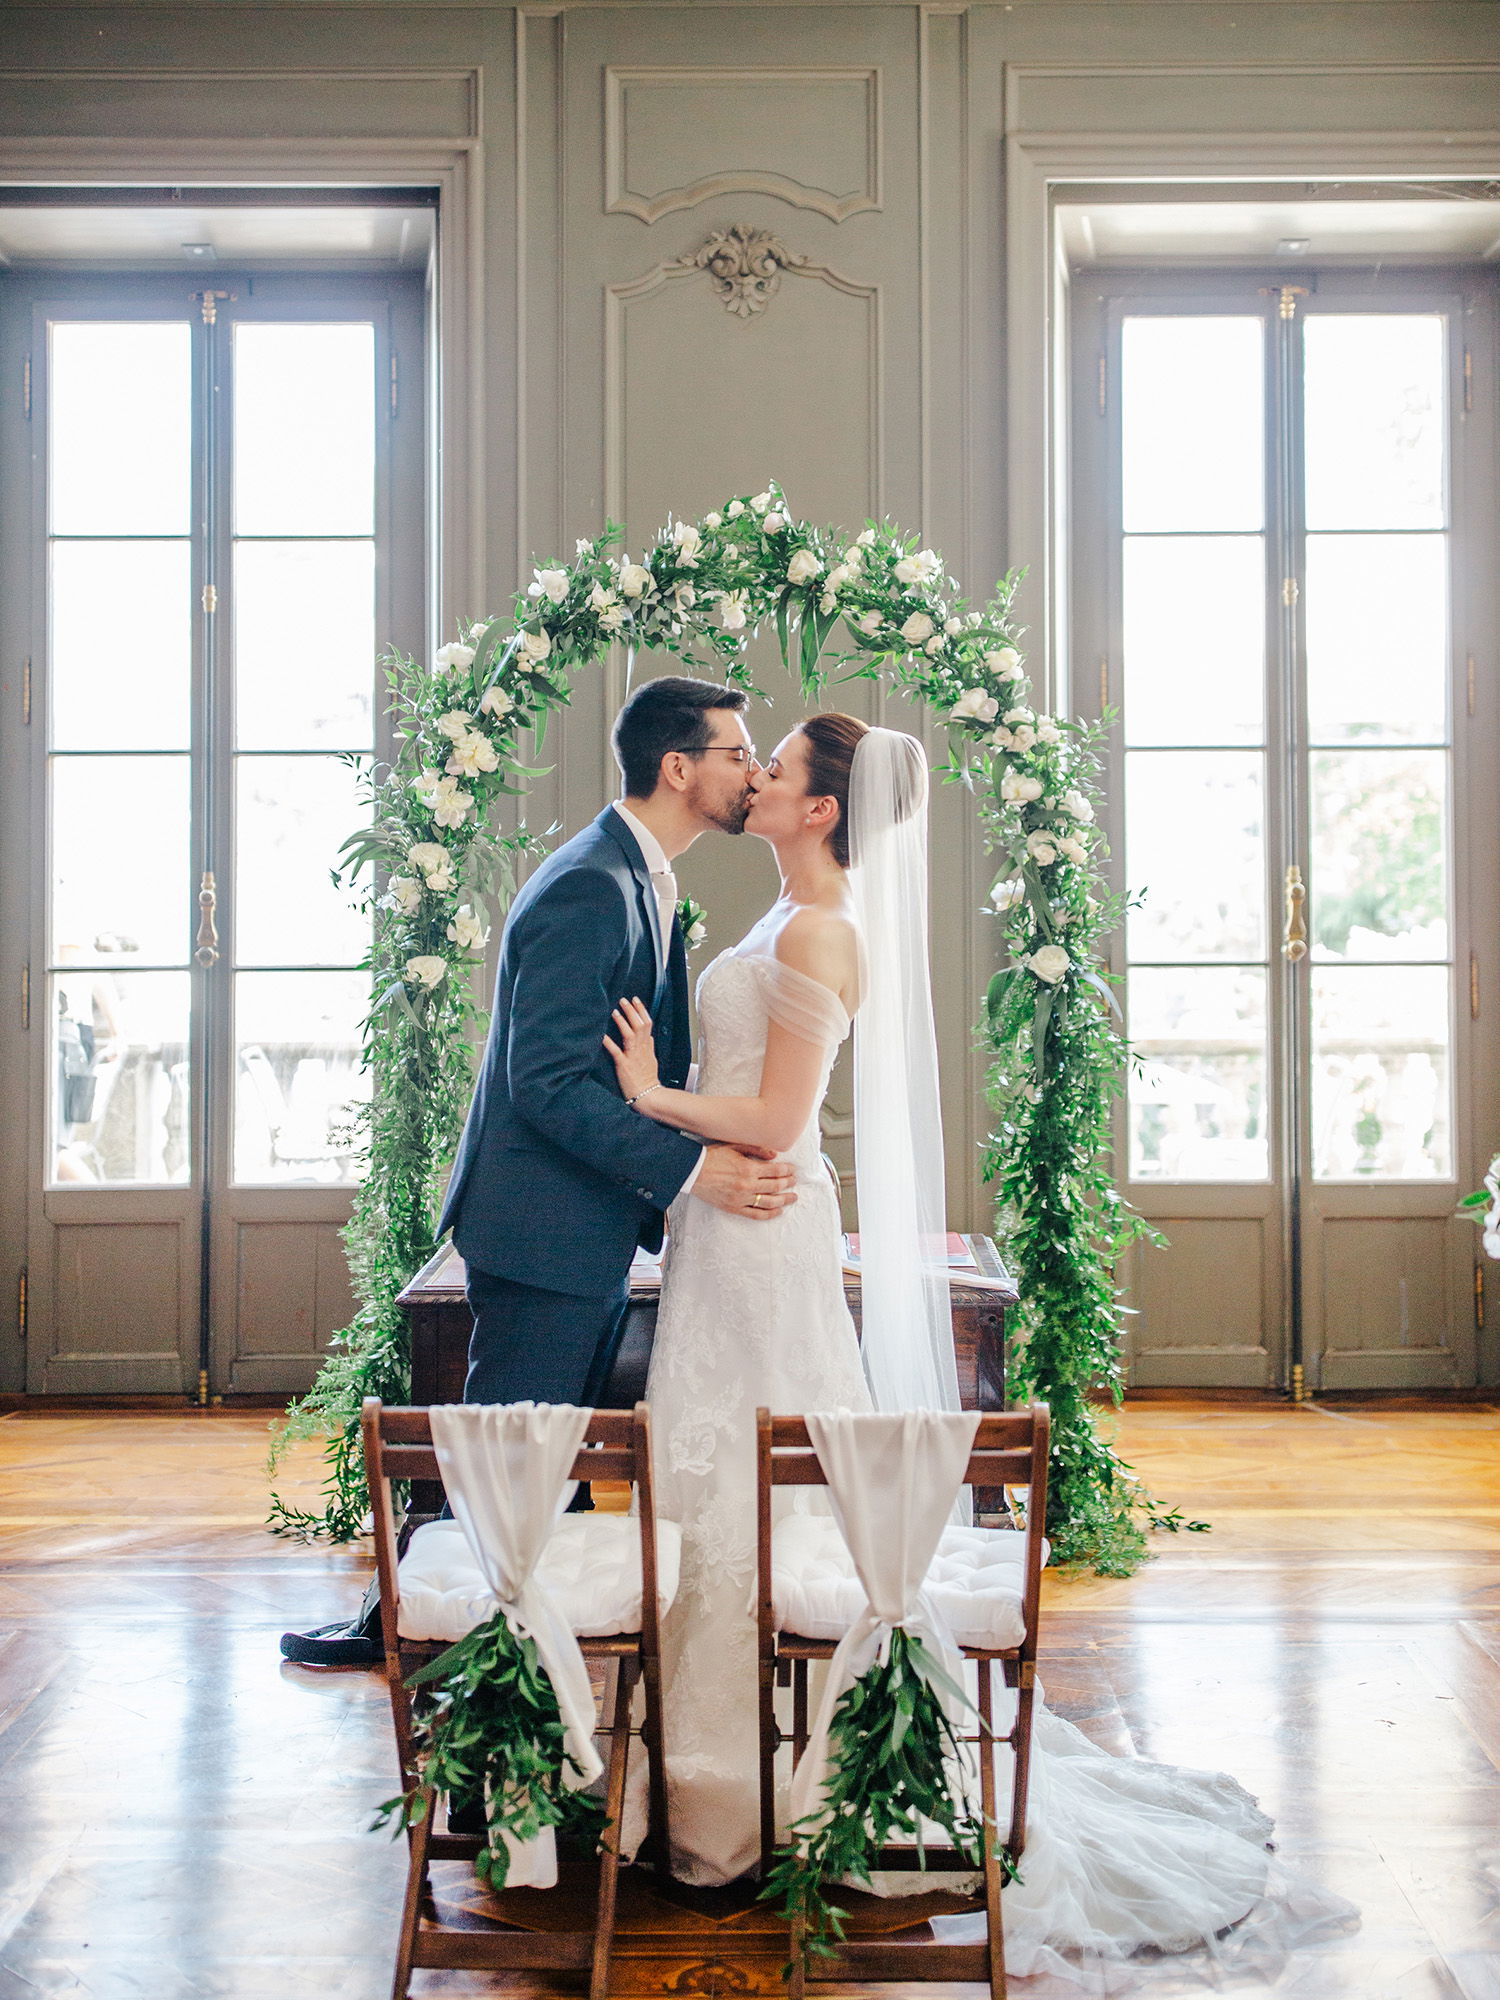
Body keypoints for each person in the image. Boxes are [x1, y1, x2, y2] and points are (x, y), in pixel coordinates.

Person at [603, 714, 1354, 1977]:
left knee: (770, 1481)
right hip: (728, 1240)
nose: (760, 778)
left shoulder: (825, 926)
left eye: (778, 767)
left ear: (823, 809)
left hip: (763, 1236)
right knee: (713, 1477)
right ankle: (703, 1778)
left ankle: (776, 1792)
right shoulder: (782, 912)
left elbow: (782, 1117)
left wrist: (652, 1099)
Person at [279, 676, 798, 1668]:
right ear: (679, 765)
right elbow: (549, 1083)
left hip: (584, 1224)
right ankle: (417, 1638)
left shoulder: (645, 874)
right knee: (510, 1459)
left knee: (536, 1458)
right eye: (738, 751)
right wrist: (694, 1171)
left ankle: (519, 1658)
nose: (754, 768)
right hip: (543, 1226)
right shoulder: (589, 884)